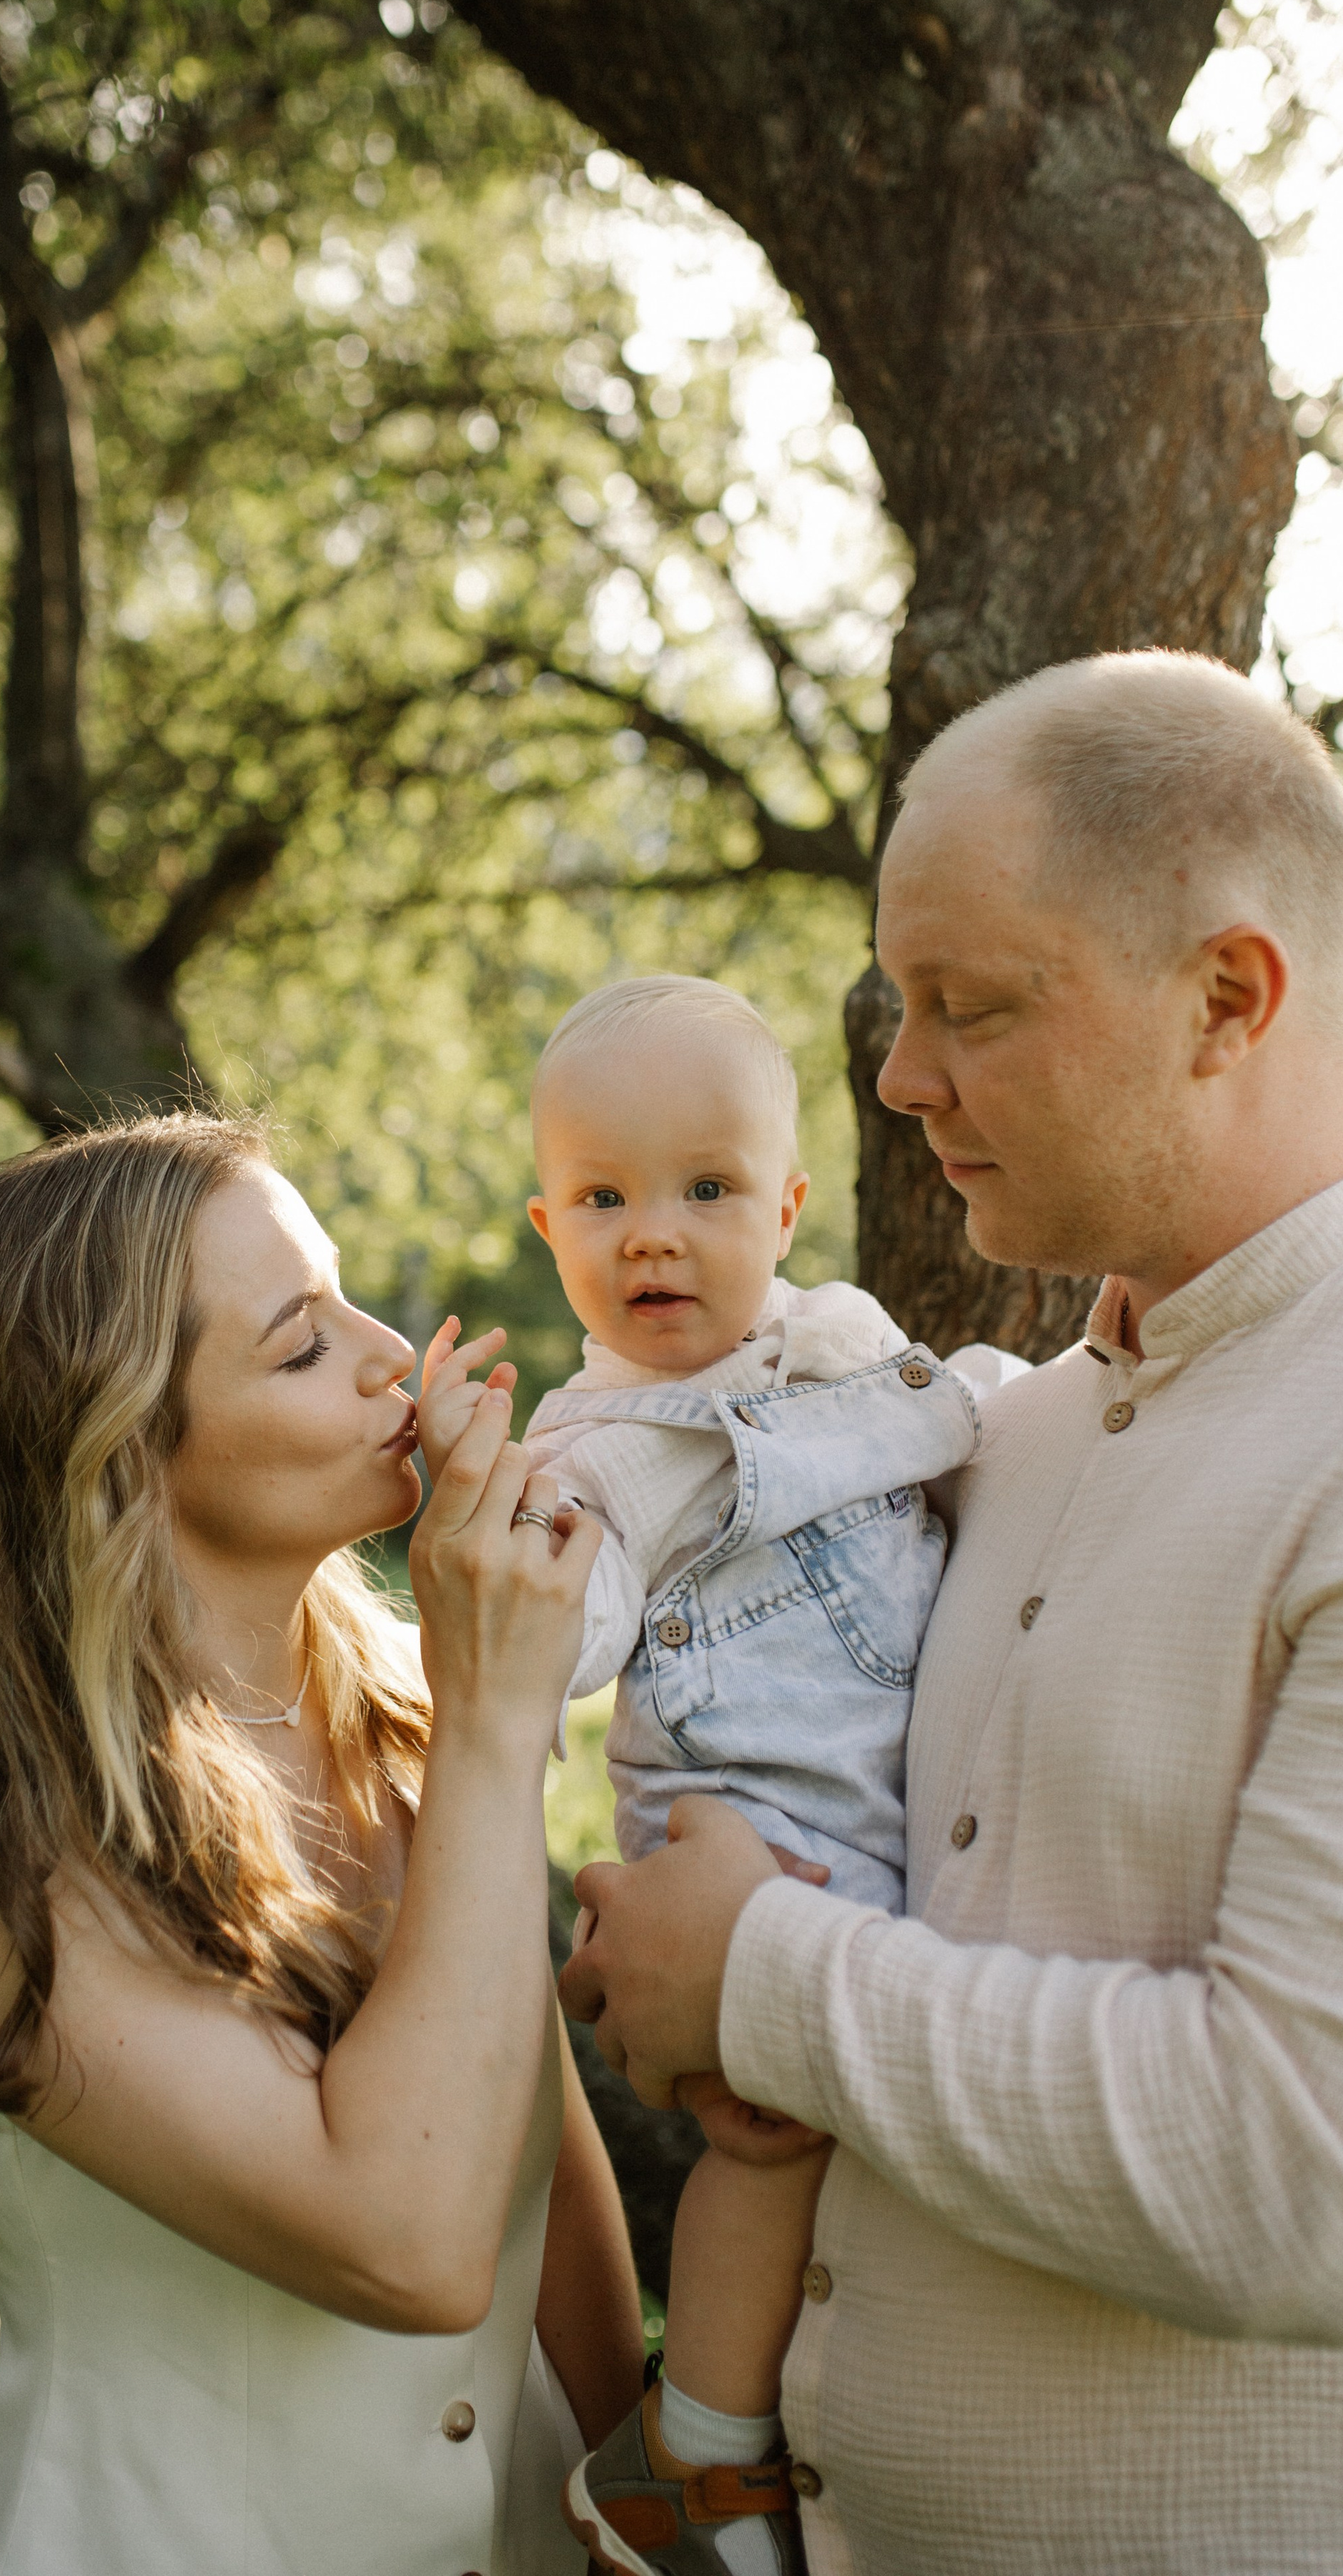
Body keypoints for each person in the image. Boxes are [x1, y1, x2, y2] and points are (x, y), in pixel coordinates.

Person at [559, 650, 1343, 2575]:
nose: (899, 1078)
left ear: (1229, 997)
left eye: (972, 1010)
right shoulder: (996, 1432)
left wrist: (754, 1982)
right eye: (894, 1005)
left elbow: (1308, 2186)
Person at [0, 1111, 642, 2576]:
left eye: (342, 1295)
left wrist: (639, 2499)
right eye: (301, 1342)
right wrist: (499, 1726)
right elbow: (406, 2239)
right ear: (116, 1450)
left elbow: (542, 2155)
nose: (392, 1350)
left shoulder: (394, 1711)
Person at [417, 976, 1001, 2576]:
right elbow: (568, 1620)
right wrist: (498, 1555)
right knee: (768, 2136)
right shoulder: (592, 1453)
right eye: (601, 1199)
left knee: (866, 2126)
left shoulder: (843, 1349)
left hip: (874, 1831)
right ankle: (697, 2452)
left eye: (703, 1190)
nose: (651, 1235)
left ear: (788, 1206)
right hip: (735, 1841)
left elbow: (954, 1427)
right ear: (548, 1228)